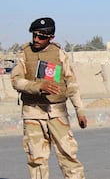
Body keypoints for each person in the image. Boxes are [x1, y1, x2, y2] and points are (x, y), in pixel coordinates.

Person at [11, 17, 87, 179]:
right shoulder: (24, 54)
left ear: (51, 37)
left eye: (41, 36)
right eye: (34, 35)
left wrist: (80, 110)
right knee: (36, 159)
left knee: (68, 155)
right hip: (33, 113)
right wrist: (37, 86)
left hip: (57, 112)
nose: (36, 39)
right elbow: (16, 81)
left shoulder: (60, 54)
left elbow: (72, 84)